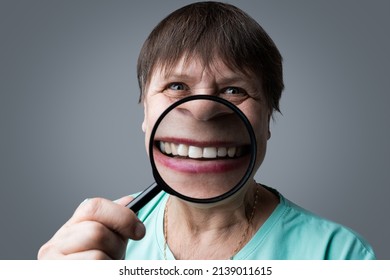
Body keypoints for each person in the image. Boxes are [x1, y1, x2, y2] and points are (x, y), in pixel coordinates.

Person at [38, 1, 375, 260]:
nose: (202, 109)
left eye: (234, 90)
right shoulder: (97, 239)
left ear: (268, 119)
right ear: (144, 113)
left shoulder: (340, 255)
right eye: (176, 85)